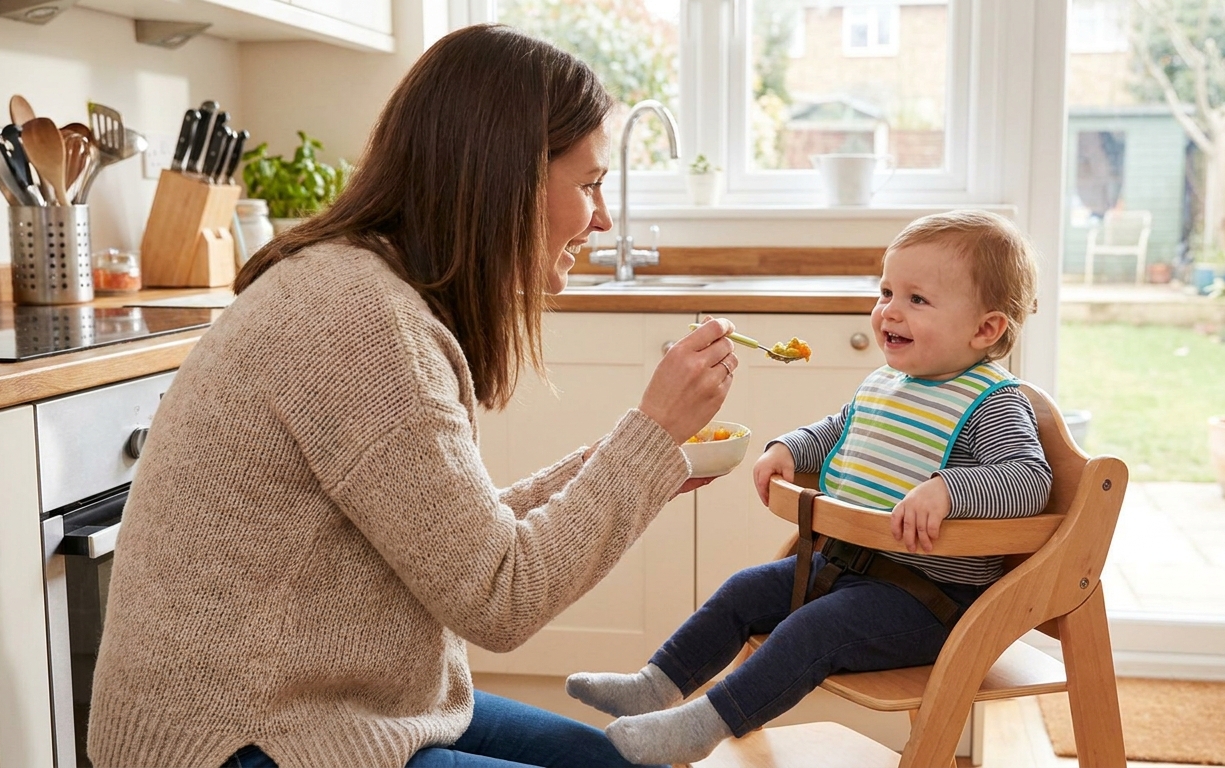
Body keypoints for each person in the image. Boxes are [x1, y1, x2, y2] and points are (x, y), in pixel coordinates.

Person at [87, 24, 741, 768]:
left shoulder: (371, 292)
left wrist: (643, 463)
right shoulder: (358, 320)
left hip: (346, 707)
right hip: (245, 739)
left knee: (612, 762)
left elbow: (462, 543)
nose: (602, 219)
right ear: (507, 176)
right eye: (589, 185)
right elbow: (500, 597)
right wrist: (646, 439)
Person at [565, 210, 1053, 765]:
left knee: (811, 629)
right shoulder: (886, 384)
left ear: (985, 329)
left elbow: (1029, 481)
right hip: (846, 566)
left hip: (929, 604)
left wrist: (948, 490)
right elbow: (836, 431)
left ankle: (700, 726)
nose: (889, 310)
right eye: (887, 291)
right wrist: (788, 450)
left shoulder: (994, 403)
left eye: (917, 300)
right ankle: (657, 683)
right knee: (743, 591)